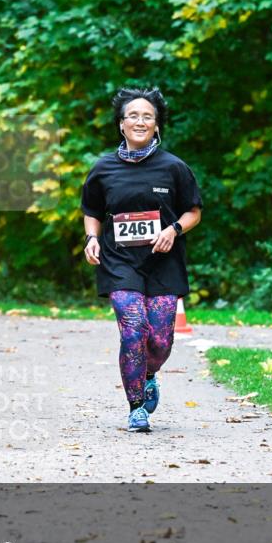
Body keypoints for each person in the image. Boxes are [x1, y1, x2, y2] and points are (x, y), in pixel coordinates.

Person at [81, 87, 203, 432]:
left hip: (163, 262)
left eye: (147, 116)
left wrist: (174, 229)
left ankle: (149, 374)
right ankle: (136, 407)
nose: (139, 121)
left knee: (160, 340)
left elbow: (193, 211)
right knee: (133, 330)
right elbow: (91, 210)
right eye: (132, 115)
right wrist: (92, 238)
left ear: (156, 124)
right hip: (120, 263)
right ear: (121, 124)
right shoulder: (104, 168)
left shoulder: (174, 167)